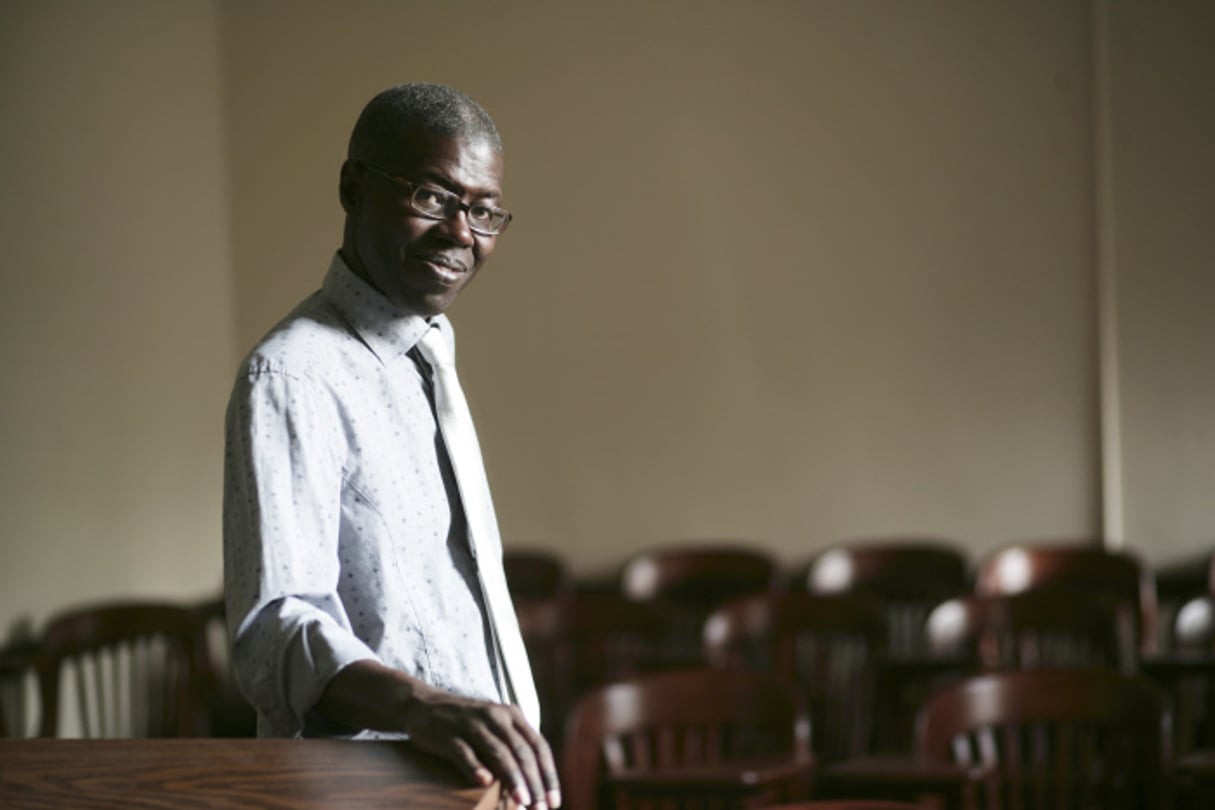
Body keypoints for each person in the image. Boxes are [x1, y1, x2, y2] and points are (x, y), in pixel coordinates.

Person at [223, 83, 559, 810]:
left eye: (482, 210)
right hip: (371, 795)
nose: (461, 234)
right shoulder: (293, 375)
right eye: (434, 197)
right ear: (353, 187)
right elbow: (275, 630)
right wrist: (422, 707)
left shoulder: (429, 350)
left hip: (476, 790)